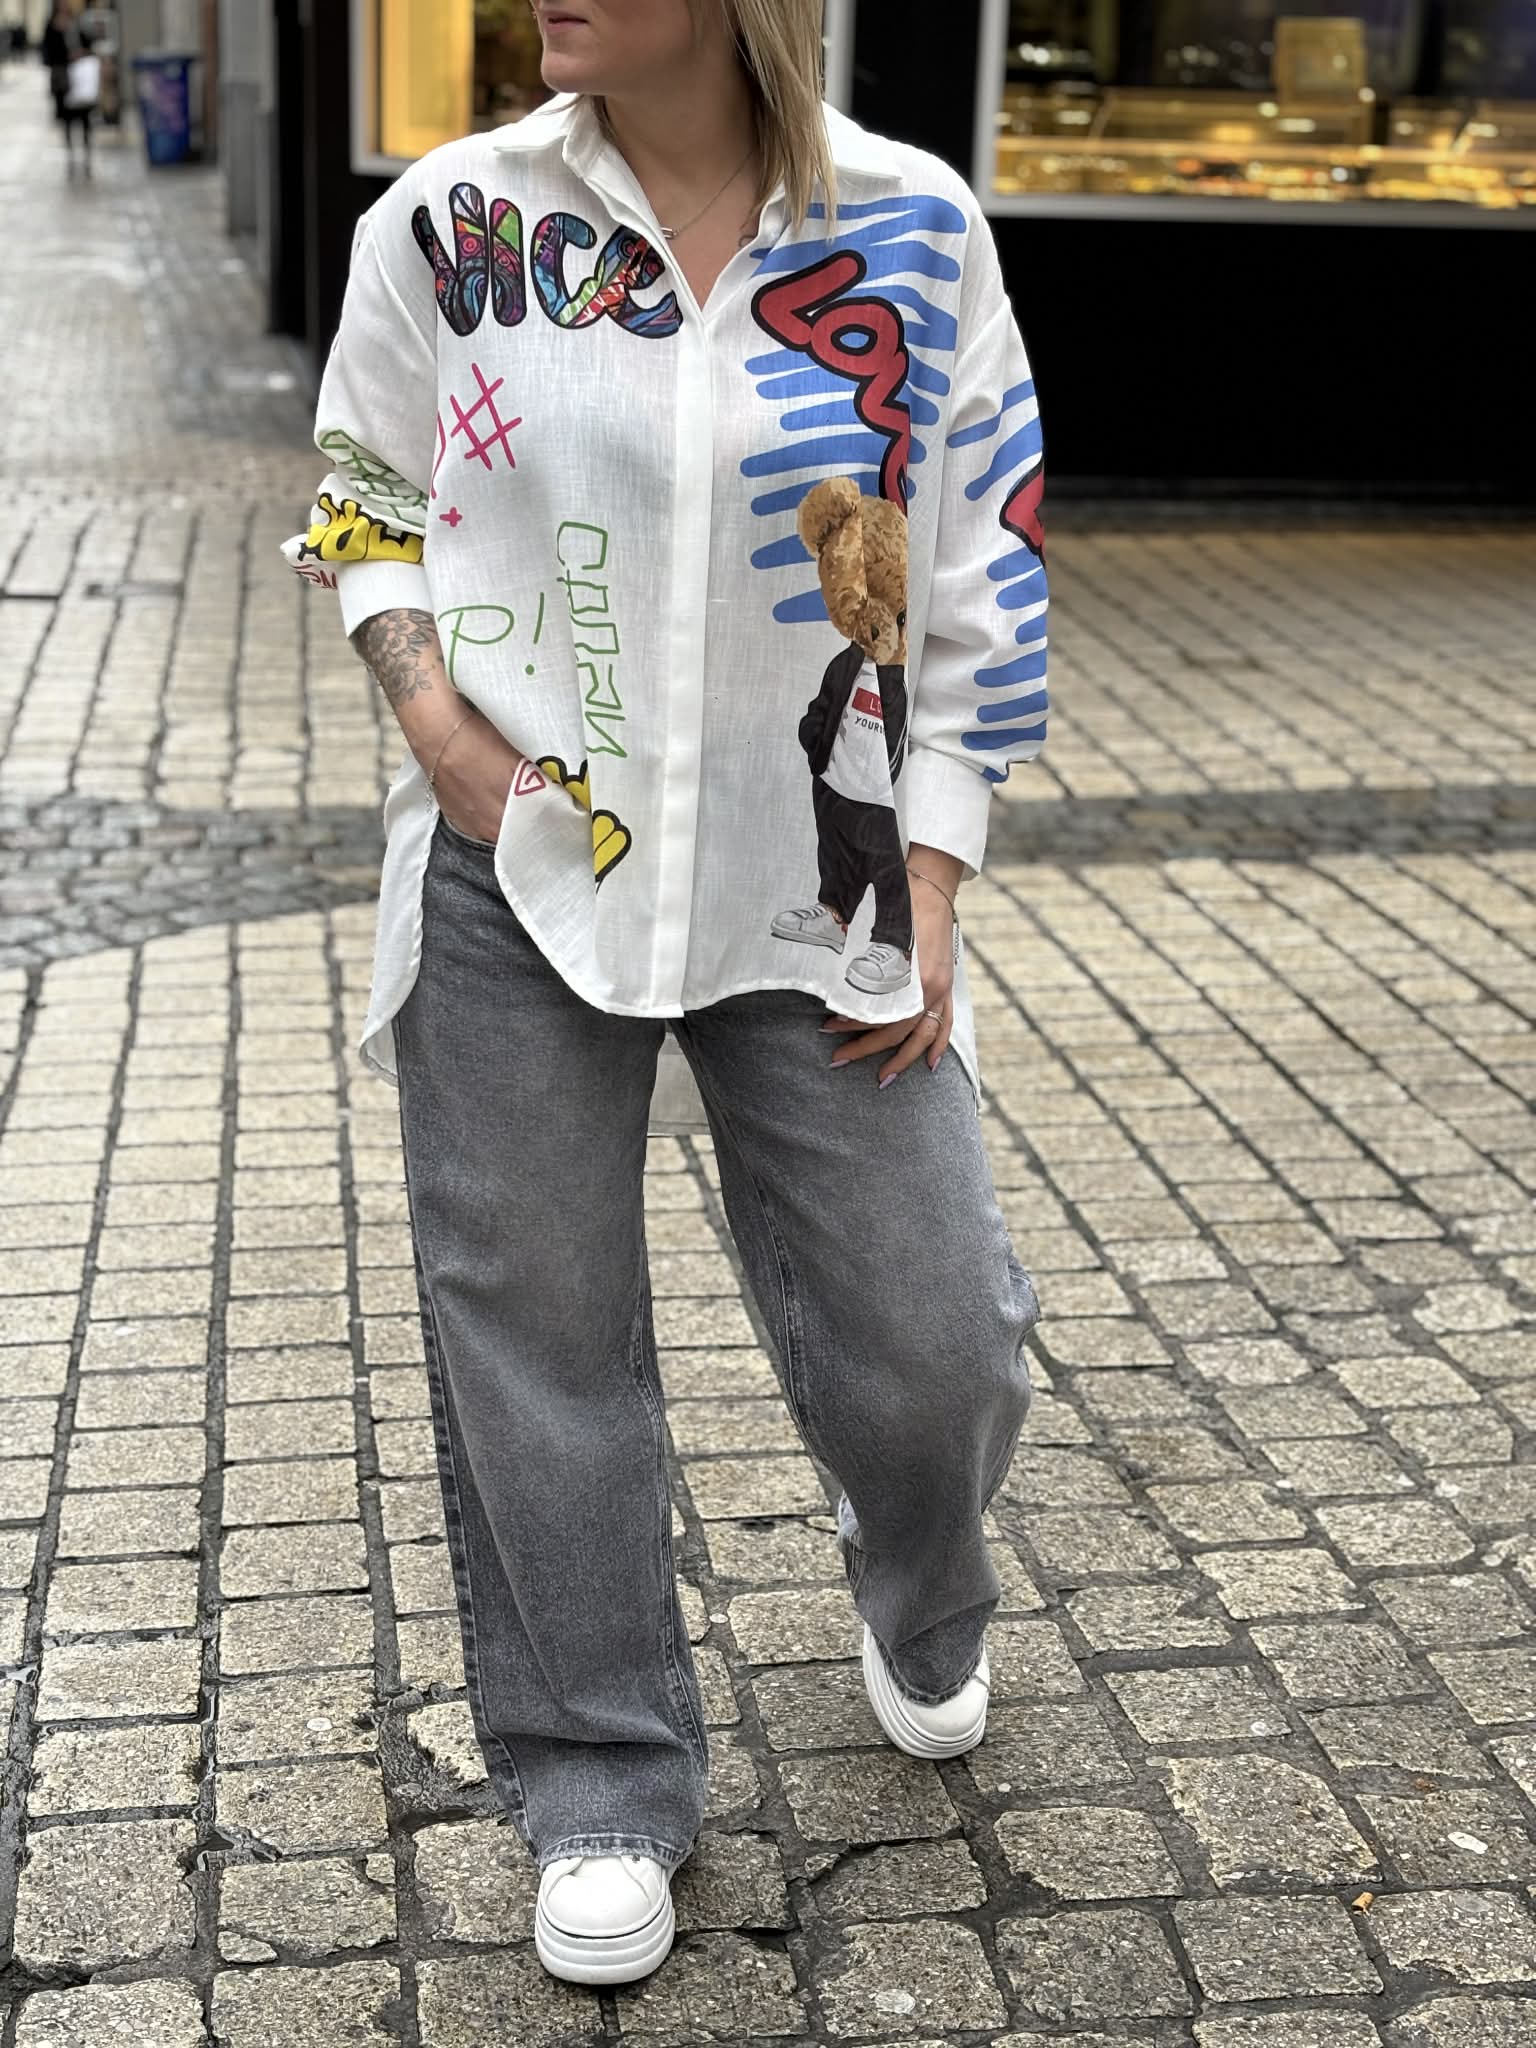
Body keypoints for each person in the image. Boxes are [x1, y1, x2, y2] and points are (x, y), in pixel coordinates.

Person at [285, 0, 1048, 1991]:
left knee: (938, 1333)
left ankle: (919, 1574)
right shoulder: (449, 223)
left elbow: (980, 562)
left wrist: (934, 869)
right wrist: (440, 730)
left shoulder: (914, 229)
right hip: (524, 865)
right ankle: (601, 1777)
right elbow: (363, 497)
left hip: (823, 869)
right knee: (532, 1333)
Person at [61, 27, 99, 173]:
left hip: (84, 89)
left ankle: (87, 154)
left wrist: (83, 53)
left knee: (86, 123)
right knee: (68, 124)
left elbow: (92, 49)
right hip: (66, 87)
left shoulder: (82, 33)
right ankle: (70, 155)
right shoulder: (55, 33)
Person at [40, 5, 76, 130]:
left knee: (69, 88)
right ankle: (60, 112)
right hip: (56, 63)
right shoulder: (51, 25)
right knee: (58, 89)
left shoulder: (72, 23)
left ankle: (69, 111)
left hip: (69, 63)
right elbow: (46, 43)